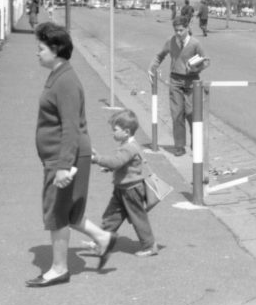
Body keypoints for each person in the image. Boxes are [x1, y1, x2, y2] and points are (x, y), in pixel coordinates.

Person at [28, 22, 113, 287]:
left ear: (55, 49)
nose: (37, 52)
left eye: (40, 48)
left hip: (63, 158)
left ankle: (59, 268)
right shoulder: (60, 75)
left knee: (56, 212)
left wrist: (64, 165)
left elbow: (69, 126)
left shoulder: (64, 80)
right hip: (68, 155)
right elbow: (73, 124)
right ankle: (103, 238)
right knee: (69, 211)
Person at [86, 109, 158, 258]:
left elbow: (116, 162)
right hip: (123, 188)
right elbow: (122, 165)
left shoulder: (129, 147)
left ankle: (149, 245)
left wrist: (97, 158)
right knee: (112, 216)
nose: (112, 133)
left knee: (138, 218)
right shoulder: (128, 145)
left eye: (115, 130)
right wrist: (108, 167)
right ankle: (102, 241)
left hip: (131, 189)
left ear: (126, 131)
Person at [149, 19, 209, 156]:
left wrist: (196, 68)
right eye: (176, 30)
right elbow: (160, 56)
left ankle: (196, 143)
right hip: (175, 80)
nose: (178, 33)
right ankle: (179, 146)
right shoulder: (171, 41)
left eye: (181, 30)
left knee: (192, 114)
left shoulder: (195, 43)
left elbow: (206, 61)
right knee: (177, 114)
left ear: (187, 28)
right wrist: (152, 68)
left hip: (191, 81)